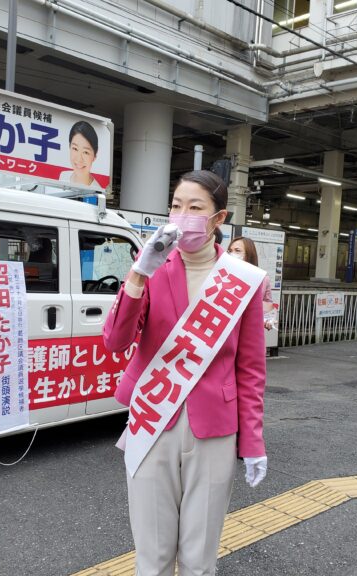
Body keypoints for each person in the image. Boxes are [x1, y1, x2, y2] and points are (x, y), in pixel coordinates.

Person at [103, 170, 267, 576]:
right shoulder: (154, 267)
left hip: (214, 429)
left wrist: (254, 440)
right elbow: (116, 340)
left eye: (195, 208)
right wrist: (139, 274)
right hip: (153, 421)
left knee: (199, 559)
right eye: (176, 206)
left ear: (219, 219)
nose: (182, 215)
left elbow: (250, 370)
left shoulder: (242, 281)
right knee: (153, 555)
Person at [227, 236, 277, 330]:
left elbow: (267, 302)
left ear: (249, 254)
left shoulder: (262, 278)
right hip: (227, 329)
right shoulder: (224, 274)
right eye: (230, 251)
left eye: (237, 250)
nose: (232, 253)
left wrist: (268, 319)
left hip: (250, 329)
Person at [58, 120, 103, 191]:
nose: (79, 159)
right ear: (70, 147)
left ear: (95, 156)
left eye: (85, 152)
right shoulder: (63, 176)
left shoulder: (96, 191)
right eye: (75, 149)